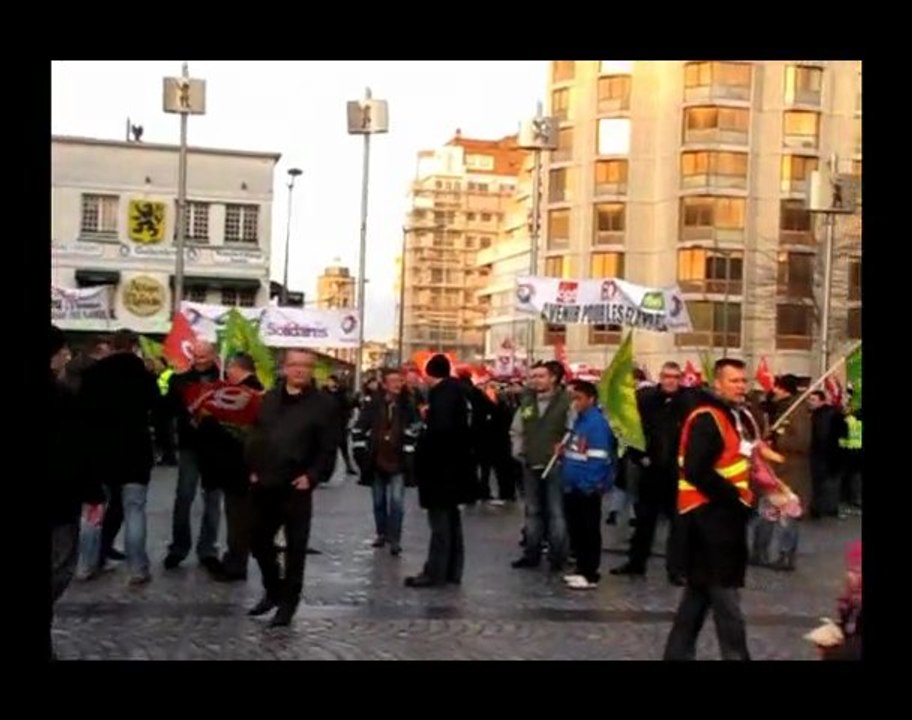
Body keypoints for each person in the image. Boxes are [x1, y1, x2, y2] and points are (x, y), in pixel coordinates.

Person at [663, 359, 755, 661]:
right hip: (710, 523)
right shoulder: (708, 418)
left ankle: (676, 655)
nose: (741, 386)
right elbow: (696, 469)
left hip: (718, 522)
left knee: (696, 602)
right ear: (717, 383)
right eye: (734, 380)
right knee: (727, 605)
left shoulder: (733, 416)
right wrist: (735, 498)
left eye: (743, 380)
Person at [245, 349, 339, 627]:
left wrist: (312, 476)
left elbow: (328, 447)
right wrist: (251, 467)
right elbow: (255, 435)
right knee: (259, 541)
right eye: (295, 365)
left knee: (296, 548)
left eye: (306, 366)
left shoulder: (324, 405)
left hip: (297, 485)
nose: (300, 370)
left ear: (312, 371)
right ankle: (273, 589)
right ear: (284, 368)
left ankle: (288, 603)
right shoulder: (268, 399)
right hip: (264, 481)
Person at [79, 329, 160, 585]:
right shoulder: (143, 375)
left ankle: (85, 565)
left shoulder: (93, 374)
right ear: (134, 346)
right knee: (134, 510)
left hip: (99, 452)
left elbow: (82, 413)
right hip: (135, 452)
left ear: (113, 346)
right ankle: (137, 568)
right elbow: (157, 409)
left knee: (93, 510)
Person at [612, 362, 695, 584]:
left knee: (679, 524)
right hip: (651, 468)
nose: (671, 381)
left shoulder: (689, 402)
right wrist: (640, 457)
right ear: (660, 377)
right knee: (644, 520)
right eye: (667, 376)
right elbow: (631, 430)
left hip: (677, 471)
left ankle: (676, 569)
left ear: (681, 379)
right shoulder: (646, 399)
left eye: (675, 377)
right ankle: (636, 563)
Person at [50, 326, 104, 658]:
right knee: (61, 566)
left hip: (60, 496)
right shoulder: (62, 398)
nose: (66, 356)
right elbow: (76, 450)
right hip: (58, 499)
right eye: (62, 350)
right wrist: (93, 492)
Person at [405, 354, 475, 588]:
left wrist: (424, 447)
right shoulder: (459, 391)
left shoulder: (443, 394)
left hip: (441, 469)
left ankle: (436, 571)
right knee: (451, 520)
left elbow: (440, 431)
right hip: (455, 468)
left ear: (428, 373)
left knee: (440, 523)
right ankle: (452, 570)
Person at [195, 353, 264, 581]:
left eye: (230, 370)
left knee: (238, 516)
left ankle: (236, 563)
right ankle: (235, 558)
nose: (227, 375)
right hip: (239, 463)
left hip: (239, 464)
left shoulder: (246, 393)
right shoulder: (256, 390)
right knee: (237, 514)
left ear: (237, 369)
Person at [164, 340, 223, 572]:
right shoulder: (179, 379)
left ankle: (208, 549)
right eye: (196, 356)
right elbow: (168, 409)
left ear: (213, 355)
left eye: (204, 356)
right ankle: (179, 548)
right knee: (184, 497)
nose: (199, 361)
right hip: (189, 445)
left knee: (212, 500)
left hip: (216, 447)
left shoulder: (223, 380)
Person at [352, 367, 421, 556]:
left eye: (399, 381)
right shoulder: (374, 403)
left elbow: (417, 425)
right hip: (376, 459)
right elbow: (360, 427)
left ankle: (395, 539)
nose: (397, 384)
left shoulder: (408, 403)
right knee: (378, 500)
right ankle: (381, 533)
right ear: (384, 384)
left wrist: (410, 441)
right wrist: (361, 452)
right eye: (393, 381)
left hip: (399, 460)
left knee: (397, 501)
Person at [510, 361, 572, 572]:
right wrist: (519, 451)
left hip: (556, 464)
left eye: (540, 376)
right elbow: (517, 429)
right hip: (531, 462)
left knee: (556, 512)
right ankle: (531, 553)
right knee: (533, 511)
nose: (536, 380)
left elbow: (573, 431)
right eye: (533, 376)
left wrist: (566, 450)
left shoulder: (566, 402)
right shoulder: (527, 402)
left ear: (553, 378)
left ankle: (557, 556)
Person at [560, 381, 616, 590]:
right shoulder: (578, 421)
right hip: (573, 484)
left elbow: (599, 457)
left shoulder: (597, 424)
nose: (574, 403)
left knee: (588, 530)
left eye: (579, 398)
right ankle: (581, 569)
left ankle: (590, 573)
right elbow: (576, 450)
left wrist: (589, 484)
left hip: (586, 487)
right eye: (572, 398)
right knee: (577, 530)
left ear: (591, 400)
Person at [751, 374, 802, 570]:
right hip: (772, 472)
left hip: (789, 472)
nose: (774, 391)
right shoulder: (778, 409)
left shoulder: (797, 410)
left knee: (787, 517)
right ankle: (759, 552)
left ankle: (786, 556)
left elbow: (802, 441)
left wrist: (775, 443)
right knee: (766, 514)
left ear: (784, 389)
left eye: (777, 388)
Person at [808, 390, 844, 519]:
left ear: (822, 401)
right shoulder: (819, 414)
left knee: (823, 482)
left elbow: (822, 435)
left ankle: (822, 508)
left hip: (825, 453)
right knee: (822, 482)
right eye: (809, 399)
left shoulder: (825, 415)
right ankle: (826, 507)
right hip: (826, 453)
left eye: (813, 400)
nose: (810, 403)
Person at [325, 374, 357, 475]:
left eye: (331, 381)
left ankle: (349, 467)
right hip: (328, 425)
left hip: (341, 424)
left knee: (344, 447)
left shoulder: (341, 393)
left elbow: (348, 405)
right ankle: (326, 470)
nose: (329, 383)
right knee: (328, 449)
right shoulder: (324, 393)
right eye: (328, 381)